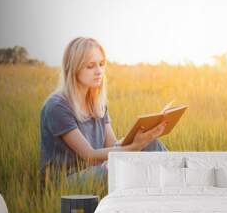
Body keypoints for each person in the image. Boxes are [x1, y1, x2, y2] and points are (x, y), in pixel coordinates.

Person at [39, 37, 168, 187]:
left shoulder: (98, 104)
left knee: (152, 143)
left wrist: (143, 138)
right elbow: (90, 156)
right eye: (90, 66)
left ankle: (178, 184)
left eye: (101, 64)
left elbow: (112, 145)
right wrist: (134, 147)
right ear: (73, 68)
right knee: (117, 169)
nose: (99, 71)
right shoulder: (57, 106)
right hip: (67, 180)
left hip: (97, 169)